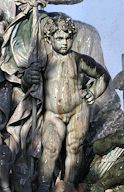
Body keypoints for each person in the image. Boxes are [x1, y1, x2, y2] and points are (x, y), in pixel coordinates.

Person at [21, 15, 110, 191]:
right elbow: (27, 84)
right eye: (59, 38)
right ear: (49, 39)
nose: (64, 43)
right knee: (51, 148)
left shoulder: (79, 60)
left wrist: (93, 92)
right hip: (53, 114)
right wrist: (27, 78)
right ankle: (44, 185)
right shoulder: (44, 61)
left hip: (78, 111)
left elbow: (103, 75)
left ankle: (69, 184)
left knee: (75, 147)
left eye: (68, 38)